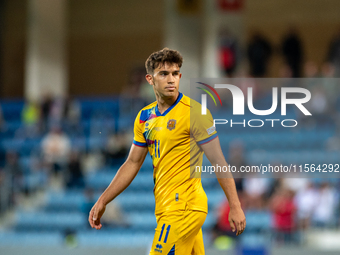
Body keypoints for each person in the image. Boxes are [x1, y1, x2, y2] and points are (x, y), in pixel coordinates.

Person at [88, 48, 246, 254]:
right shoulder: (144, 118)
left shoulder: (195, 113)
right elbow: (132, 163)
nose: (171, 79)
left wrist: (235, 206)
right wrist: (103, 200)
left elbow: (219, 161)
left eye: (175, 74)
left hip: (184, 208)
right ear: (150, 79)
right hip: (165, 208)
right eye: (163, 74)